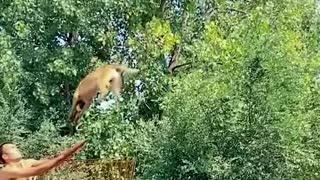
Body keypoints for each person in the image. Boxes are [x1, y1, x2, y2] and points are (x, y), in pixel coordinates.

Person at [0, 140, 86, 180]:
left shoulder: (27, 162)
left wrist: (64, 157)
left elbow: (50, 162)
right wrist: (61, 157)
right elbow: (38, 170)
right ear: (5, 156)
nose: (17, 149)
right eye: (12, 148)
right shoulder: (6, 171)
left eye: (16, 147)